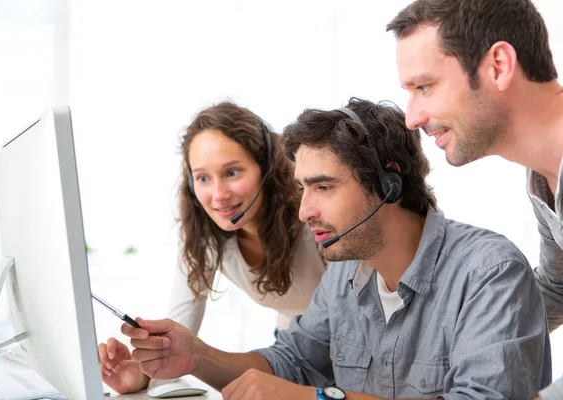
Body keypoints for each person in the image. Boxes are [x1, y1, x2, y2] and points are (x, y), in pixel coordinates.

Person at [110, 99, 550, 399]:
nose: (304, 211)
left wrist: (318, 397)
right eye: (303, 188)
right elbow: (291, 363)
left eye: (323, 186)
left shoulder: (489, 272)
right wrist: (194, 357)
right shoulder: (344, 276)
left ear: (388, 183)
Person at [386, 1, 563, 398]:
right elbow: (555, 289)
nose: (411, 117)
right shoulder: (542, 179)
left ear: (498, 65)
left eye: (425, 87)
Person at [97, 101, 326, 393]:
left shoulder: (311, 217)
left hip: (346, 345)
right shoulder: (204, 233)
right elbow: (182, 328)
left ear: (267, 168)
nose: (218, 195)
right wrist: (145, 374)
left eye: (232, 173)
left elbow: (352, 315)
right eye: (203, 178)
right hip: (295, 349)